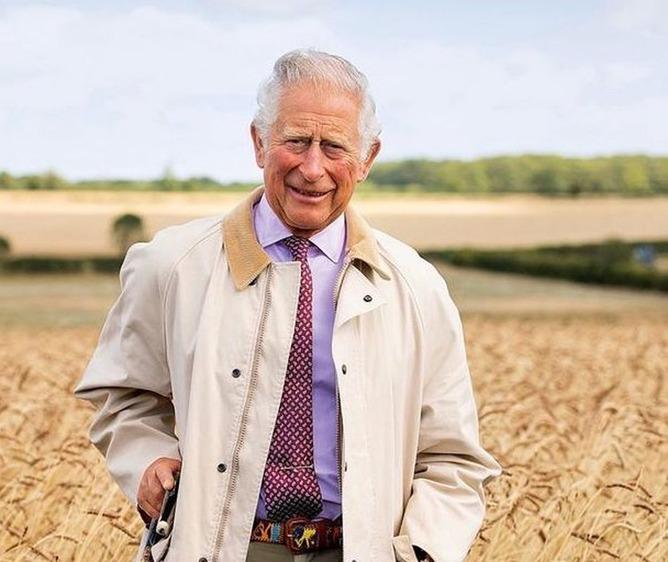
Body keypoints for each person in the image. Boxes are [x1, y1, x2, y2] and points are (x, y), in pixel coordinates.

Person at [73, 48, 501, 562]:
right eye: (295, 141)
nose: (312, 167)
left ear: (368, 159)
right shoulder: (171, 266)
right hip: (225, 547)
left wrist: (425, 551)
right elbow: (123, 396)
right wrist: (146, 458)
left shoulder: (416, 288)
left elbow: (451, 456)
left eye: (335, 146)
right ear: (259, 142)